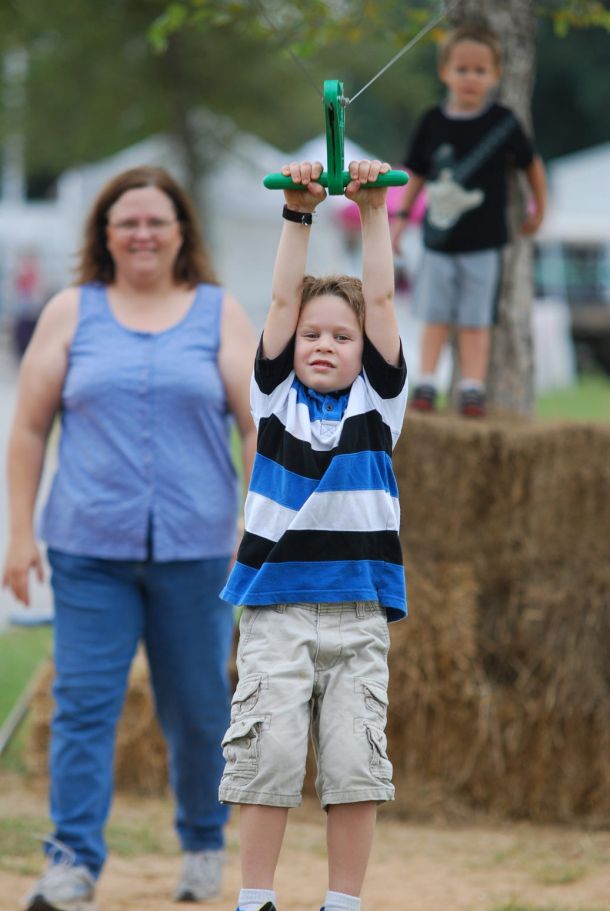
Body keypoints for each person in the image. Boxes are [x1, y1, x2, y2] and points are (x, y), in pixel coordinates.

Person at [2, 165, 258, 910]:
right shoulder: (70, 312)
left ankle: (204, 844)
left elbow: (256, 426)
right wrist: (19, 534)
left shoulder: (219, 313)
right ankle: (71, 862)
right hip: (89, 550)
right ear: (105, 234)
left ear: (181, 232)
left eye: (156, 221)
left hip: (197, 550)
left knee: (201, 709)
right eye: (128, 222)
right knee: (83, 705)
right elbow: (28, 428)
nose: (143, 233)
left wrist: (254, 522)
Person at [218, 158, 408, 911]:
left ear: (367, 351)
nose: (324, 344)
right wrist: (299, 213)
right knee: (267, 755)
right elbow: (278, 297)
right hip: (275, 608)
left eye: (342, 336)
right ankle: (255, 898)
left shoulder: (378, 407)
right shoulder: (273, 401)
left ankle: (342, 901)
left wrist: (373, 212)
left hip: (358, 613)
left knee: (355, 766)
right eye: (311, 334)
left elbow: (382, 297)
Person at [392, 21, 547, 417]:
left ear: (495, 75)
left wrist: (540, 206)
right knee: (434, 315)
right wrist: (401, 217)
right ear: (445, 71)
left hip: (484, 241)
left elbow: (531, 165)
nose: (471, 78)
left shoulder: (503, 122)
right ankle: (427, 382)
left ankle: (472, 388)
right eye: (462, 69)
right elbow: (415, 174)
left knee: (476, 319)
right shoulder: (432, 121)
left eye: (480, 70)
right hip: (438, 241)